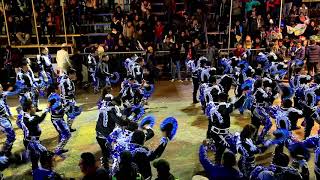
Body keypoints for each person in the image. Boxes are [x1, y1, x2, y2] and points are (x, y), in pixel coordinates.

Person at [96, 86, 125, 170]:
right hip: (108, 133)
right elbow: (119, 120)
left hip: (99, 133)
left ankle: (105, 166)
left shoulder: (101, 105)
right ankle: (113, 170)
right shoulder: (114, 108)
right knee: (113, 151)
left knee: (104, 152)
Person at [19, 100, 48, 170]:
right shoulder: (27, 119)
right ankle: (39, 169)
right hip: (30, 141)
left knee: (35, 155)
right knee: (43, 152)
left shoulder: (27, 116)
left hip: (31, 140)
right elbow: (39, 119)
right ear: (28, 109)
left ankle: (34, 166)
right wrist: (46, 110)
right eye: (32, 107)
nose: (34, 108)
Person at [47, 83, 71, 156]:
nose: (61, 89)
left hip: (58, 119)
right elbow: (55, 110)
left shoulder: (53, 96)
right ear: (56, 89)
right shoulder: (54, 97)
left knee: (62, 134)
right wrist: (66, 108)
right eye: (59, 88)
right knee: (67, 134)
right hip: (57, 120)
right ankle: (57, 150)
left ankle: (60, 149)